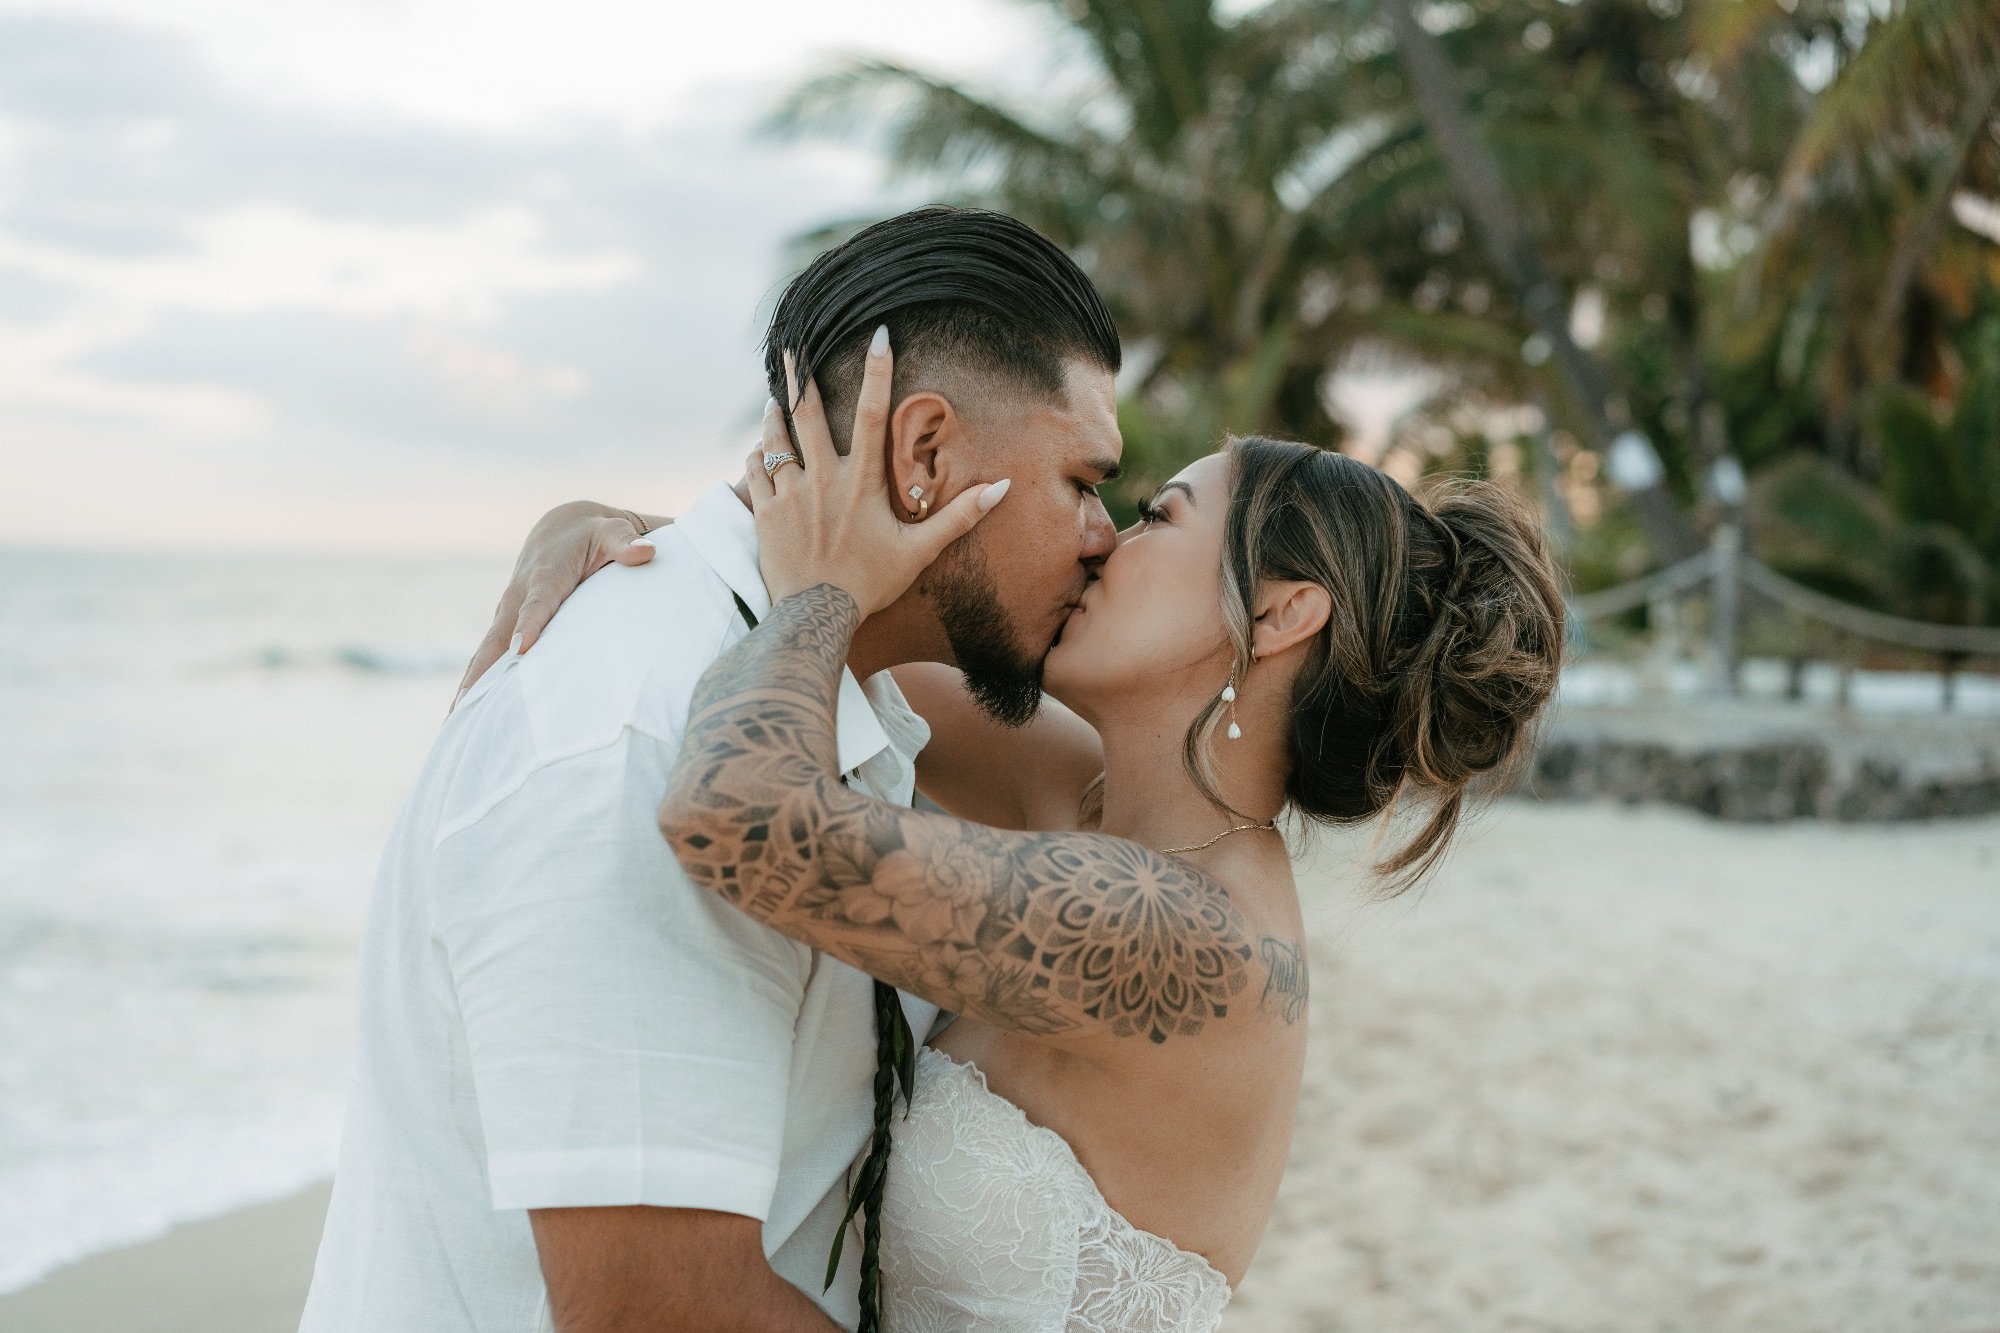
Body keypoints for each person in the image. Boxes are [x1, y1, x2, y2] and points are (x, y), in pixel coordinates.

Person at [489, 340, 1568, 1329]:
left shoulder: (1185, 931)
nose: (1102, 542)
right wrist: (630, 532)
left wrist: (817, 591)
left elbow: (734, 811)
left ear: (1282, 612)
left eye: (1157, 517)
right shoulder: (1097, 799)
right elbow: (858, 633)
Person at [297, 204, 1127, 1333]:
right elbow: (651, 1308)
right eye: (1082, 481)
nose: (1103, 535)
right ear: (925, 454)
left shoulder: (827, 676)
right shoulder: (641, 729)